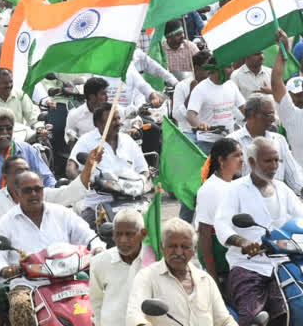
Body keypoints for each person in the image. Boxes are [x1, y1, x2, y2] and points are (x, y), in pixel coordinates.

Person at [0, 170, 103, 326]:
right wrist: (5, 269)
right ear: (17, 193)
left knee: (102, 294)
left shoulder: (62, 213)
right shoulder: (7, 222)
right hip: (29, 282)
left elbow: (88, 236)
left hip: (70, 277)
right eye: (27, 190)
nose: (34, 194)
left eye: (38, 189)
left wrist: (97, 248)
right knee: (20, 306)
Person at [215, 137, 303, 325]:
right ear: (252, 162)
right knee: (252, 317)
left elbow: (300, 219)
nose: (274, 166)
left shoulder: (283, 189)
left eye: (277, 160)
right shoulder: (235, 190)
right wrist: (243, 243)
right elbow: (222, 224)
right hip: (248, 266)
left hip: (284, 263)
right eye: (268, 161)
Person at [126, 218, 236, 326]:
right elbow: (134, 317)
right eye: (172, 246)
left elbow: (224, 321)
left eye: (185, 247)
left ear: (194, 250)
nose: (178, 252)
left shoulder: (206, 280)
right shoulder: (147, 277)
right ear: (162, 247)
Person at [68, 103, 149, 225]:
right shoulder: (86, 141)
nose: (118, 123)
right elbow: (71, 168)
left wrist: (143, 179)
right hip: (96, 202)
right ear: (98, 124)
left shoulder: (128, 141)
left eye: (118, 118)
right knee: (86, 230)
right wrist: (86, 182)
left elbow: (143, 169)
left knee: (151, 225)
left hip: (131, 199)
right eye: (112, 120)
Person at [228, 93, 303, 193]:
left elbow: (294, 175)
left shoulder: (279, 140)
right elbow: (228, 181)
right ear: (253, 114)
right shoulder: (233, 142)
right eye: (269, 114)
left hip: (277, 200)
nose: (273, 119)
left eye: (273, 114)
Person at [195, 138, 243, 284]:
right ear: (221, 160)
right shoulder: (209, 190)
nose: (241, 160)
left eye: (242, 154)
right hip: (221, 263)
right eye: (236, 155)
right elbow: (204, 233)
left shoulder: (237, 184)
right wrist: (213, 277)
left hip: (238, 258)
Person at [89, 209, 147, 326]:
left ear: (143, 234)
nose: (123, 240)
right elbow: (96, 302)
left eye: (129, 234)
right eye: (118, 234)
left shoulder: (154, 260)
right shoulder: (100, 262)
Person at [187, 54, 245, 153]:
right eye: (228, 67)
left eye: (231, 66)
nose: (232, 70)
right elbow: (191, 115)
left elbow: (244, 108)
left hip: (230, 141)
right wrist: (200, 124)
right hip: (208, 143)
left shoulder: (231, 85)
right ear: (216, 69)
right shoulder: (200, 89)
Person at [271, 29, 303, 164]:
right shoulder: (291, 116)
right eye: (297, 94)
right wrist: (281, 52)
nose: (301, 98)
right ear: (289, 96)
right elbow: (276, 82)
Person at [172, 50, 211, 136]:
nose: (211, 71)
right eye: (208, 68)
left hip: (212, 132)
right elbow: (177, 116)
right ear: (197, 68)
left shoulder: (214, 84)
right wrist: (192, 93)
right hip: (189, 134)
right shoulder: (182, 86)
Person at [65, 77, 109, 145]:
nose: (107, 97)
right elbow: (70, 139)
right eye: (103, 94)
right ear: (92, 97)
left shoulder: (114, 112)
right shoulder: (74, 115)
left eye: (106, 93)